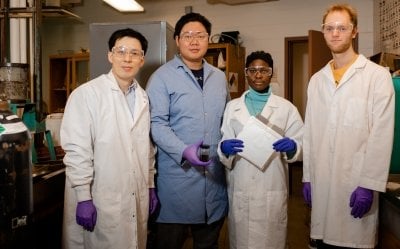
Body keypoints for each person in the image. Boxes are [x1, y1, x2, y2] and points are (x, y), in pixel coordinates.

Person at [302, 4, 395, 249]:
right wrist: (308, 176)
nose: (335, 33)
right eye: (329, 28)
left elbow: (382, 135)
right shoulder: (316, 81)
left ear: (354, 32)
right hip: (322, 183)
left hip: (356, 185)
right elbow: (310, 133)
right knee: (322, 241)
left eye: (342, 27)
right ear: (323, 32)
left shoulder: (376, 76)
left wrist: (369, 184)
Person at [60, 28, 158, 249]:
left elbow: (146, 148)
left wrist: (150, 185)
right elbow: (77, 150)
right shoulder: (86, 95)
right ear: (110, 55)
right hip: (99, 196)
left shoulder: (143, 97)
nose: (127, 58)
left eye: (135, 53)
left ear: (142, 60)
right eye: (121, 51)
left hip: (134, 195)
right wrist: (84, 197)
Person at [146, 12, 229, 249]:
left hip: (213, 180)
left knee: (208, 243)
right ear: (177, 40)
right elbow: (156, 124)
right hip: (176, 182)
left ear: (208, 39)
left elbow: (227, 120)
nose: (194, 41)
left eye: (200, 35)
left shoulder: (219, 78)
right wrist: (184, 151)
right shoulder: (161, 78)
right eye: (188, 36)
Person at [218, 51, 304, 249]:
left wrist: (293, 147)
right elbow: (223, 143)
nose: (258, 75)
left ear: (271, 73)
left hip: (271, 186)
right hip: (241, 186)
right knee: (241, 242)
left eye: (264, 70)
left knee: (270, 242)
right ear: (246, 73)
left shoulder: (286, 108)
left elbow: (302, 143)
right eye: (253, 70)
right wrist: (224, 148)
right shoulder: (233, 107)